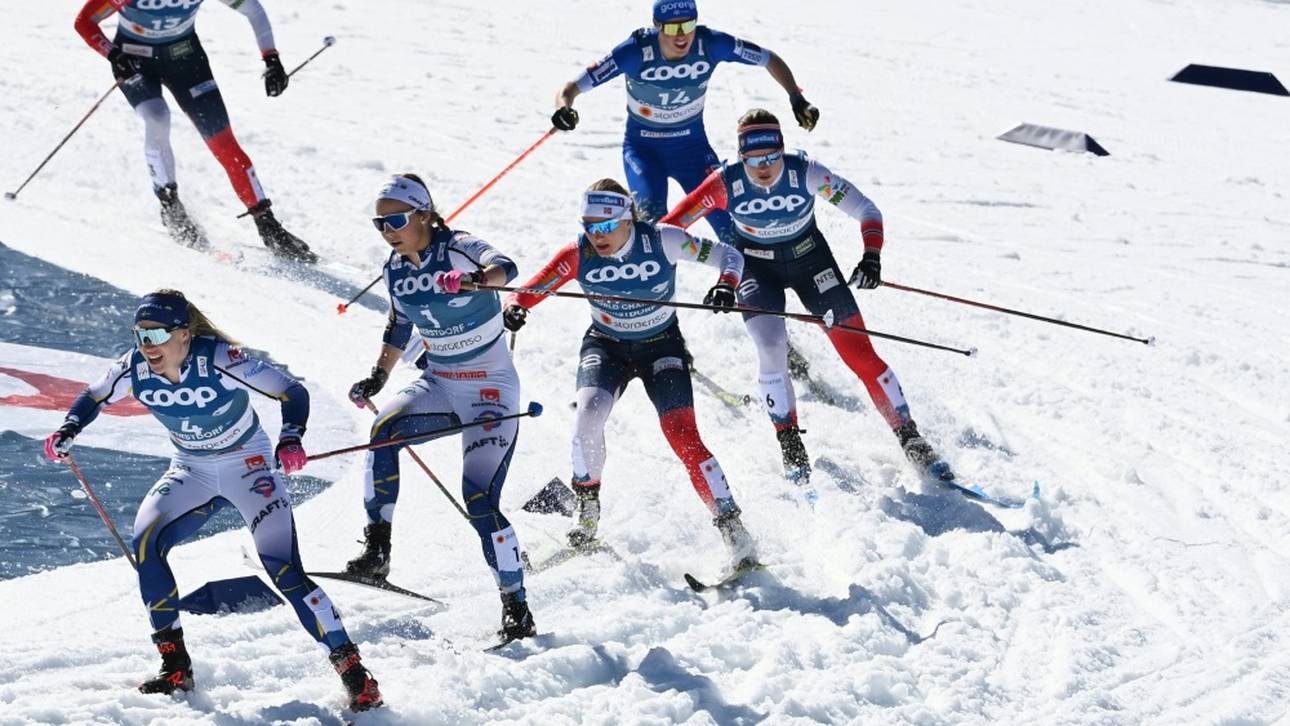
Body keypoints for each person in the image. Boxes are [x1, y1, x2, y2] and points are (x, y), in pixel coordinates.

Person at [41, 290, 381, 712]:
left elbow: (291, 392)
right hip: (191, 469)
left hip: (249, 466)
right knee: (147, 545)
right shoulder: (133, 367)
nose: (147, 345)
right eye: (140, 335)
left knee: (284, 570)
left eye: (157, 335)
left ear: (184, 334)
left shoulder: (220, 358)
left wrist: (291, 438)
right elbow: (94, 396)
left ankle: (355, 674)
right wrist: (68, 429)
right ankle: (175, 666)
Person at [660, 109, 957, 488]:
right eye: (753, 160)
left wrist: (871, 256)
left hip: (811, 261)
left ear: (782, 150)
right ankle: (789, 442)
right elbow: (667, 229)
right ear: (740, 157)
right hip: (756, 269)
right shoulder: (724, 182)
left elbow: (867, 210)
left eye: (772, 157)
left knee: (857, 351)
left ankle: (909, 435)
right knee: (771, 345)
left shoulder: (805, 172)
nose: (764, 168)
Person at [502, 179, 758, 572]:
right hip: (607, 346)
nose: (597, 235)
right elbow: (528, 290)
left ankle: (731, 526)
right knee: (588, 416)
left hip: (661, 345)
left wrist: (726, 286)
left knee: (682, 434)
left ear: (628, 220)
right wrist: (517, 306)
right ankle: (587, 508)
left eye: (606, 226)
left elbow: (729, 256)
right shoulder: (579, 254)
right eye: (589, 226)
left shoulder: (663, 239)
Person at [345, 173, 536, 643]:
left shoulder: (459, 247)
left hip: (490, 391)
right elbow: (398, 325)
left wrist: (476, 281)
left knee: (479, 499)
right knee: (384, 430)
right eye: (379, 223)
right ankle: (377, 551)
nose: (387, 230)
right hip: (441, 384)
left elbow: (506, 267)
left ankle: (516, 606)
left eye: (395, 220)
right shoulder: (395, 268)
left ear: (424, 215)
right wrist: (378, 376)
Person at [549, 0, 819, 245]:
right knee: (654, 230)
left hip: (693, 151)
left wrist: (796, 98)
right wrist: (564, 109)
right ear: (657, 26)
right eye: (672, 28)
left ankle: (746, 280)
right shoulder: (634, 52)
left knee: (731, 224)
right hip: (644, 153)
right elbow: (571, 88)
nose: (681, 35)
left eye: (688, 25)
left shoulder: (711, 44)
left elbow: (768, 58)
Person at [73, 0, 316, 262]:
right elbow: (85, 22)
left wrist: (271, 58)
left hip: (185, 60)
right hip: (134, 59)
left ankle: (267, 224)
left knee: (223, 141)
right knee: (157, 117)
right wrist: (113, 55)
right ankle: (170, 205)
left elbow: (253, 10)